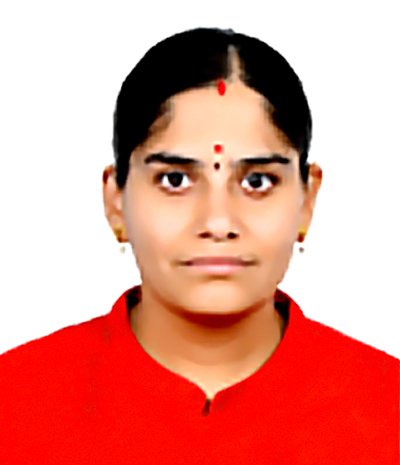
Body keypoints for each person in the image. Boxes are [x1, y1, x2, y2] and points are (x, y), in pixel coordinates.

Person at [0, 27, 398, 464]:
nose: (218, 223)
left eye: (257, 181)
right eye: (175, 180)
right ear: (116, 200)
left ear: (307, 199)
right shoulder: (14, 405)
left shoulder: (387, 410)